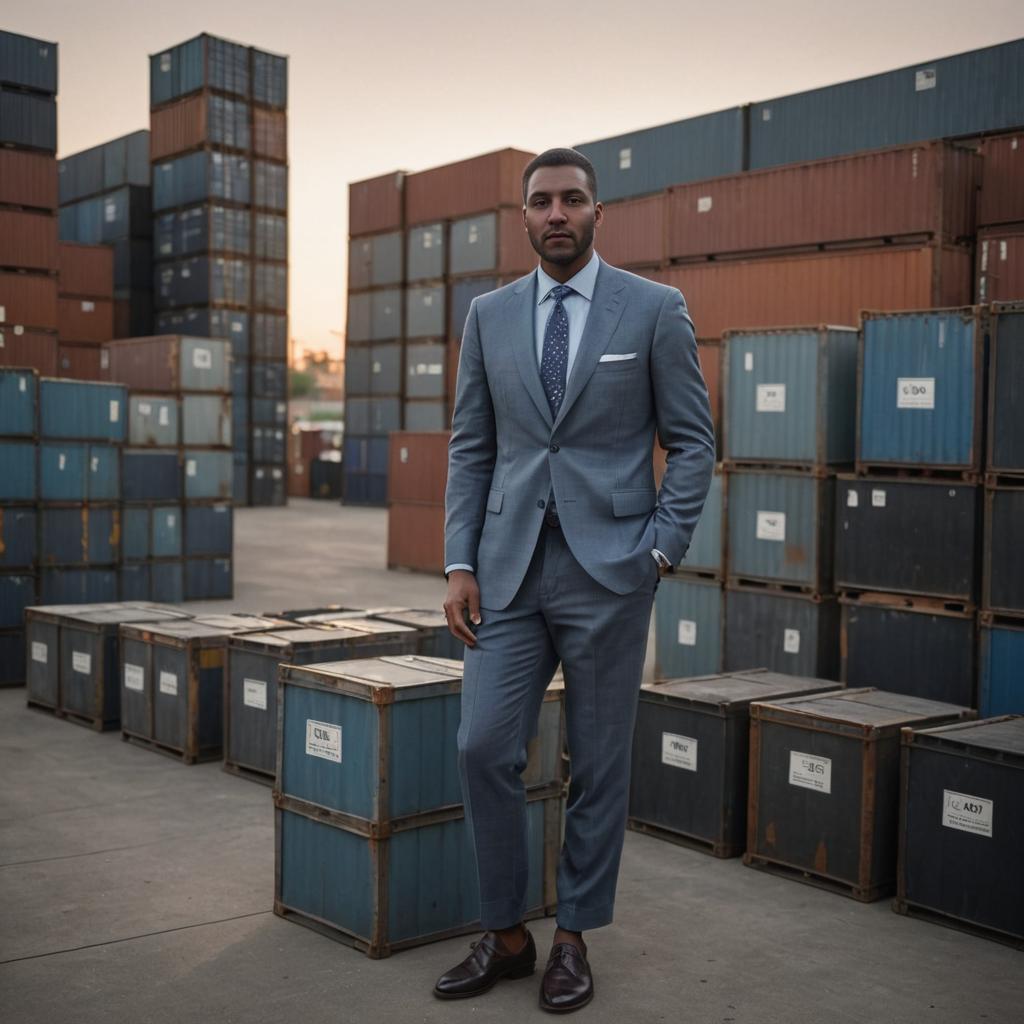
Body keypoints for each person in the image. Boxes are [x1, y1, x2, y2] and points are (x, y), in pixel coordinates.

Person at [437, 148, 715, 1013]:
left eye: (573, 200)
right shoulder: (487, 316)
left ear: (599, 212)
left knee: (598, 764)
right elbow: (472, 447)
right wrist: (457, 561)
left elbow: (694, 441)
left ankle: (572, 939)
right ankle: (508, 934)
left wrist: (661, 550)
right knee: (482, 745)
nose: (557, 213)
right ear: (523, 218)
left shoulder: (655, 309)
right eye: (542, 201)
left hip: (610, 572)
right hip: (508, 571)